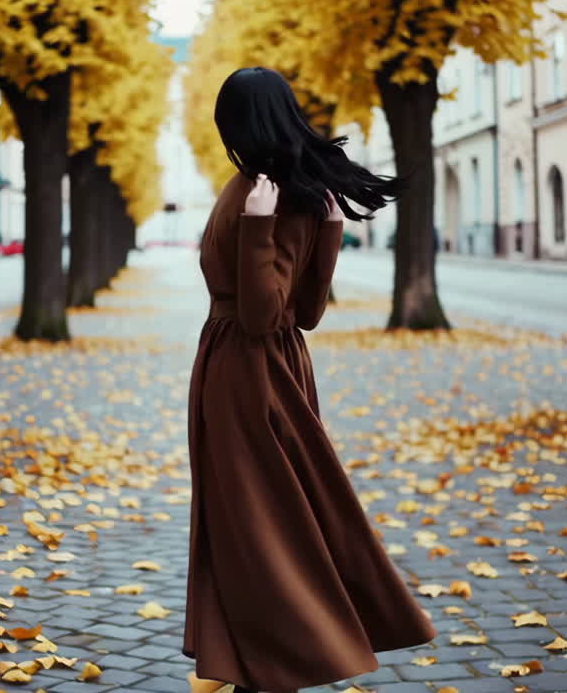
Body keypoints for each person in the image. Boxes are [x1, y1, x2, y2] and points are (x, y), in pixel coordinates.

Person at [182, 67, 436, 693]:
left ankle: (275, 659)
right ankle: (246, 660)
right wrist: (325, 230)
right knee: (266, 517)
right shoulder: (293, 192)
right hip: (268, 371)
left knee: (257, 523)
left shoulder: (261, 195)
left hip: (247, 372)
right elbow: (309, 316)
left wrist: (261, 228)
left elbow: (266, 316)